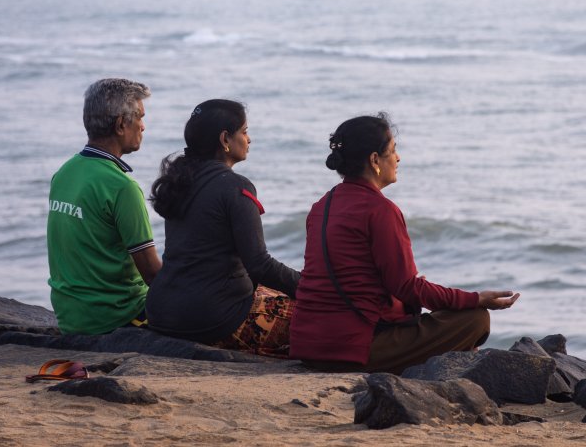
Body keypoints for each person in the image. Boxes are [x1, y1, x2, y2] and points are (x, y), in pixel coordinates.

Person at [289, 113, 519, 374]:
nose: (398, 158)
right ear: (375, 159)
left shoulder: (321, 206)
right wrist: (476, 298)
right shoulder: (380, 210)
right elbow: (408, 287)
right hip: (352, 350)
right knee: (475, 319)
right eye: (393, 150)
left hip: (308, 345)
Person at [146, 99, 300, 356]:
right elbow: (260, 264)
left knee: (272, 290)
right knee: (319, 310)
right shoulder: (235, 186)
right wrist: (310, 285)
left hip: (163, 312)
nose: (249, 139)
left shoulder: (180, 181)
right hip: (212, 320)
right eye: (245, 131)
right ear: (225, 138)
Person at [47, 78, 162, 335]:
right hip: (117, 318)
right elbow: (153, 275)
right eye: (140, 118)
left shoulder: (64, 172)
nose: (143, 126)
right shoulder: (122, 187)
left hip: (71, 316)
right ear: (121, 124)